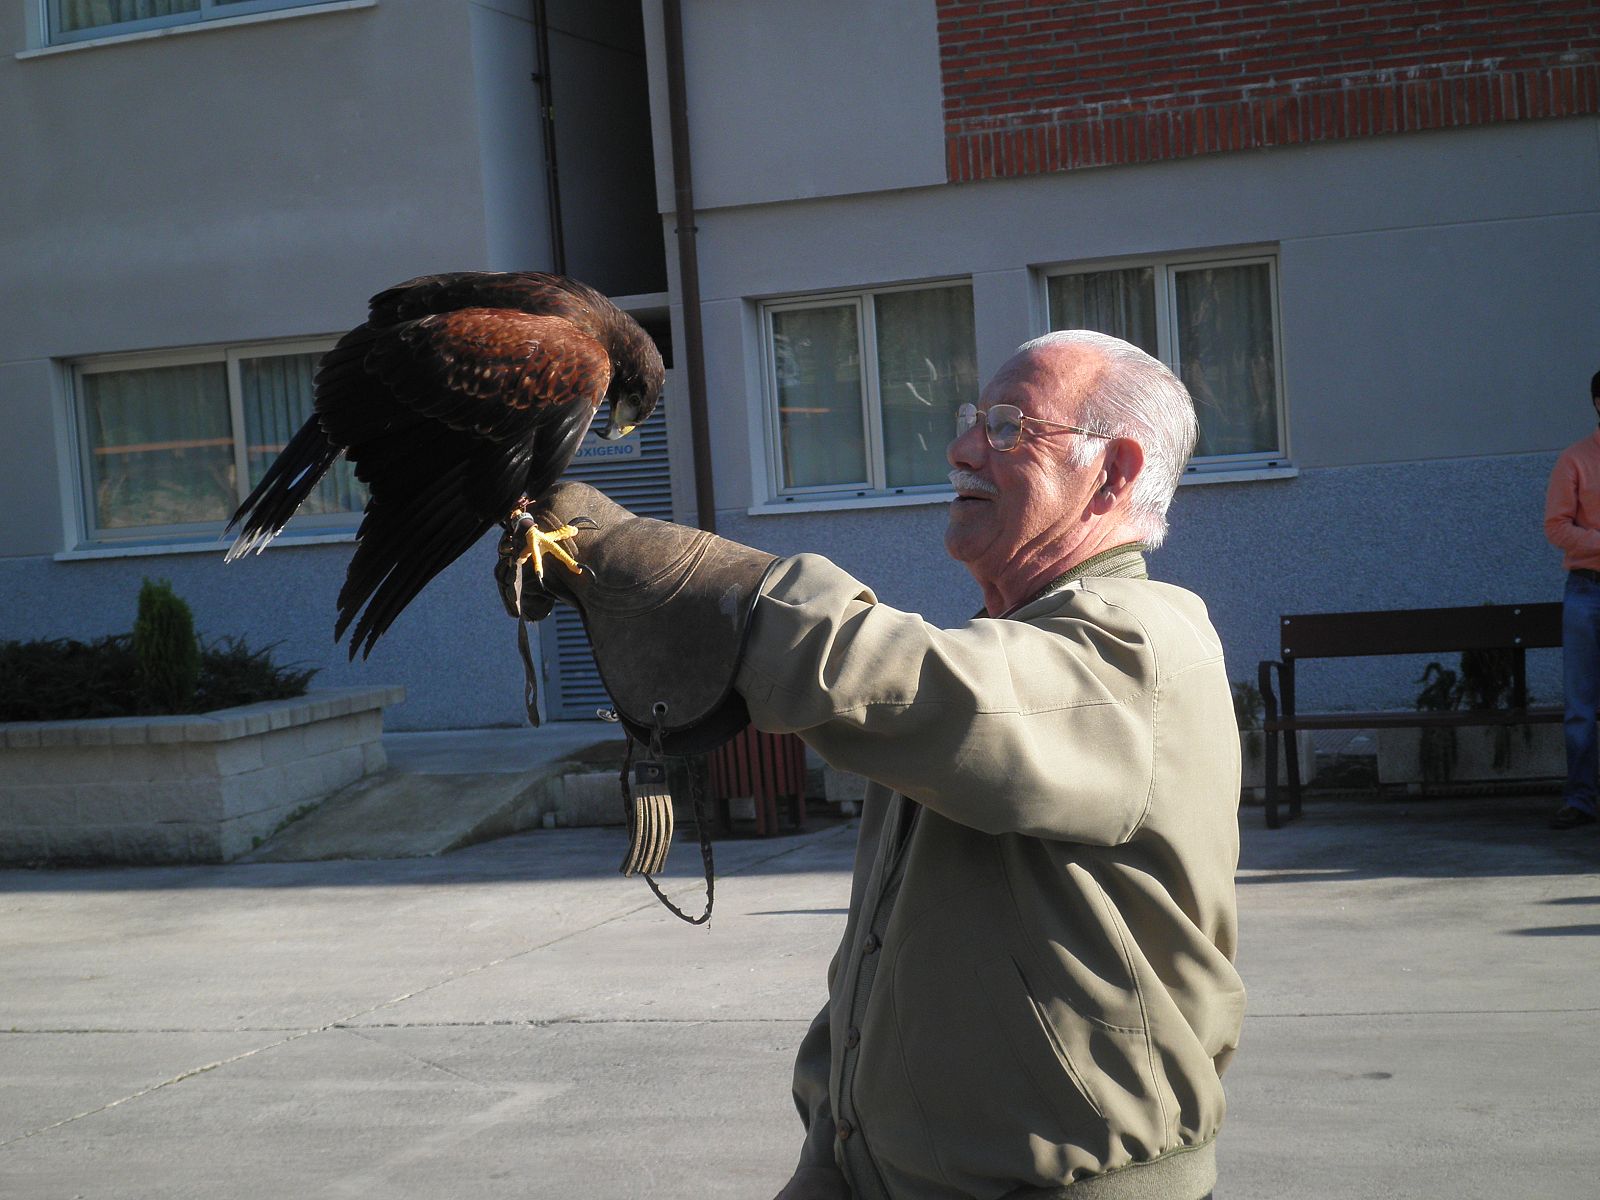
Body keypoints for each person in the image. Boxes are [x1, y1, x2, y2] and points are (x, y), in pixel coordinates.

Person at [498, 330, 1246, 1199]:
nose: (963, 447)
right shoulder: (1016, 644)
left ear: (1114, 473)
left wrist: (663, 570)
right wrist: (835, 1137)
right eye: (973, 420)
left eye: (1009, 428)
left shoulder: (1143, 643)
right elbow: (894, 951)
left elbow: (898, 681)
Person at [1542, 369, 1600, 831]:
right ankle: (1581, 799)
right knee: (1581, 704)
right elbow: (1556, 527)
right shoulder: (1575, 460)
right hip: (1587, 590)